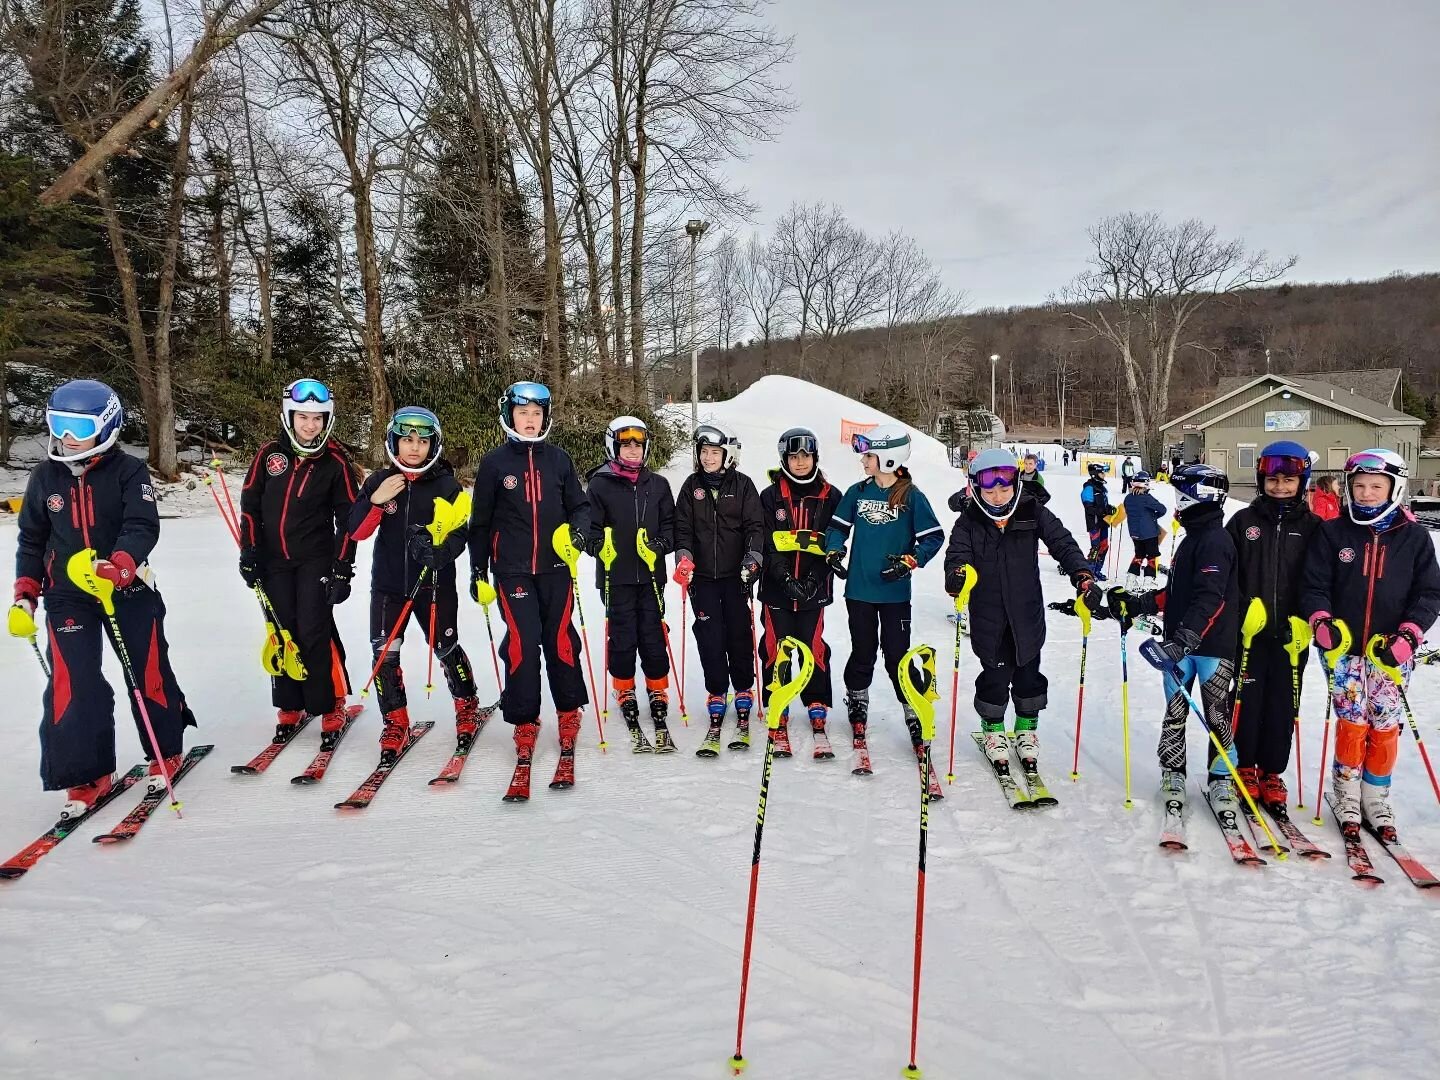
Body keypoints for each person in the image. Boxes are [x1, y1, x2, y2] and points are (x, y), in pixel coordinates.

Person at [11, 380, 196, 819]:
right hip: (67, 596)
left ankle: (163, 749)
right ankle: (85, 771)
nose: (68, 437)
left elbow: (142, 524)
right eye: (60, 425)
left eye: (79, 427)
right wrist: (25, 595)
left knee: (146, 669)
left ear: (107, 425)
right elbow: (32, 541)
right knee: (73, 684)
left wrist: (120, 565)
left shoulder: (128, 471)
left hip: (127, 588)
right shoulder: (45, 477)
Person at [1300, 449, 1440, 837]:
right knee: (1352, 721)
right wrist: (1321, 620)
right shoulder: (1333, 532)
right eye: (1358, 486)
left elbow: (1429, 593)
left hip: (1390, 652)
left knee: (1384, 724)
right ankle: (1345, 791)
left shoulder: (1413, 538)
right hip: (1344, 651)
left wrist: (1411, 633)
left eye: (1376, 486)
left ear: (1394, 488)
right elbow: (1313, 585)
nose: (1366, 493)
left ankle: (1376, 795)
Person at [942, 448, 1098, 778]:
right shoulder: (968, 521)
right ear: (975, 488)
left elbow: (1063, 544)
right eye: (989, 490)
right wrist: (957, 577)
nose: (998, 496)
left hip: (1027, 615)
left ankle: (1026, 729)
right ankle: (993, 729)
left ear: (1015, 483)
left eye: (1004, 487)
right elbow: (956, 557)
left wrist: (1082, 575)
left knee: (1029, 676)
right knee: (995, 677)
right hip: (989, 617)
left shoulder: (1032, 511)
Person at [468, 382, 591, 774]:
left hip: (556, 569)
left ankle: (569, 711)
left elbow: (580, 507)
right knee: (523, 642)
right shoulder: (494, 463)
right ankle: (524, 720)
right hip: (512, 570)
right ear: (509, 416)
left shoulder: (560, 460)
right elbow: (481, 522)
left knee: (560, 641)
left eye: (536, 415)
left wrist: (578, 535)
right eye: (523, 414)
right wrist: (477, 569)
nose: (530, 421)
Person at [1108, 464, 1241, 814]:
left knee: (1216, 713)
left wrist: (1185, 638)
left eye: (1183, 498)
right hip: (1178, 645)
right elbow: (1178, 592)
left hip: (1211, 645)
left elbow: (1211, 597)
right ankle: (1173, 770)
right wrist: (1141, 603)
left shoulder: (1216, 541)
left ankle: (1222, 778)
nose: (1178, 506)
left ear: (1201, 499)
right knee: (1175, 711)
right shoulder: (1194, 538)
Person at [349, 407, 479, 761]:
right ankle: (395, 721)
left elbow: (461, 530)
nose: (414, 448)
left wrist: (441, 552)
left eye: (422, 441)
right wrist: (376, 502)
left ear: (433, 445)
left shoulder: (447, 485)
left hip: (434, 587)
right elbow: (356, 530)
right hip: (389, 585)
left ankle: (467, 704)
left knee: (446, 647)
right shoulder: (378, 481)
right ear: (394, 442)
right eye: (407, 440)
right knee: (384, 654)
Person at [239, 378, 360, 745]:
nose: (310, 426)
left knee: (313, 629)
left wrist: (342, 567)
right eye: (303, 417)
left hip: (316, 561)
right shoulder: (269, 455)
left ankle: (330, 702)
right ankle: (290, 703)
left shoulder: (335, 463)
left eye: (317, 419)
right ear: (289, 417)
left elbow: (349, 522)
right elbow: (250, 507)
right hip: (273, 560)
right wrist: (249, 551)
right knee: (281, 629)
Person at [823, 424, 944, 765]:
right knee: (863, 650)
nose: (864, 460)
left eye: (869, 455)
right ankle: (857, 699)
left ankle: (912, 708)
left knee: (896, 655)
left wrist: (910, 561)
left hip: (894, 594)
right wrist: (834, 551)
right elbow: (837, 528)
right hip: (859, 590)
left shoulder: (911, 496)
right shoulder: (858, 492)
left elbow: (934, 536)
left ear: (888, 460)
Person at [1223, 441, 1323, 807]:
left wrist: (1307, 621)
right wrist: (1242, 611)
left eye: (1289, 480)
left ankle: (1272, 771)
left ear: (1302, 482)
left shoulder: (1314, 528)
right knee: (1246, 700)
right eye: (1273, 479)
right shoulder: (1243, 522)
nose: (1280, 487)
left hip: (1291, 637)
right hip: (1250, 635)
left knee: (1284, 703)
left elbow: (1320, 580)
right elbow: (1229, 575)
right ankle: (1245, 765)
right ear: (1261, 479)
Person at [587, 415, 677, 752]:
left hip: (652, 574)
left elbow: (670, 527)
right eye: (626, 444)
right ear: (614, 445)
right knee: (623, 635)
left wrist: (660, 547)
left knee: (653, 633)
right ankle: (623, 685)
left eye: (638, 444)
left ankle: (657, 686)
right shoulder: (599, 484)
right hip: (616, 574)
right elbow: (590, 530)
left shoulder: (658, 485)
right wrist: (599, 547)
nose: (633, 450)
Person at [673, 423, 765, 754]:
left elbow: (756, 527)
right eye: (704, 452)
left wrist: (753, 558)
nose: (709, 458)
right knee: (709, 635)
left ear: (727, 455)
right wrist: (683, 556)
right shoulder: (691, 487)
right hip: (703, 579)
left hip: (736, 575)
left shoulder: (742, 485)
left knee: (739, 632)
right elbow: (682, 528)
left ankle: (743, 688)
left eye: (715, 452)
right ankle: (716, 690)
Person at [758, 427, 843, 756]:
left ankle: (817, 701)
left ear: (815, 457)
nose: (800, 462)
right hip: (777, 590)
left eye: (805, 456)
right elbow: (766, 542)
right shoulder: (771, 496)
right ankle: (777, 703)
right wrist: (783, 578)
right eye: (794, 457)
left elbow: (833, 542)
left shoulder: (830, 496)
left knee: (813, 647)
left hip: (813, 590)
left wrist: (813, 580)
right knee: (775, 648)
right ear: (784, 459)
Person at [1119, 471, 1167, 587]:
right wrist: (1153, 516)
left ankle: (1131, 579)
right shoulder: (1146, 498)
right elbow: (1162, 509)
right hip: (1149, 533)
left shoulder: (1128, 498)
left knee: (1138, 554)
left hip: (1135, 533)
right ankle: (1148, 581)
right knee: (1151, 556)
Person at [1080, 461, 1114, 579]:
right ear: (1095, 474)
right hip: (1094, 523)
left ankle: (1097, 570)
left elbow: (1103, 505)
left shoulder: (1102, 488)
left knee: (1104, 546)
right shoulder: (1089, 488)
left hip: (1103, 522)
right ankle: (1090, 572)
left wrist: (1110, 509)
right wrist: (1103, 511)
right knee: (1095, 548)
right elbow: (1089, 508)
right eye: (1102, 473)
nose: (1104, 475)